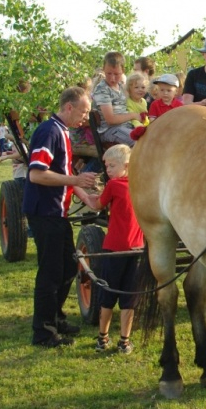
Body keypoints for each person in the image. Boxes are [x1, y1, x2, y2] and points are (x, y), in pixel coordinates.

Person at [23, 86, 100, 347]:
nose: (85, 118)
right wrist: (77, 179)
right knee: (51, 273)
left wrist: (85, 195)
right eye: (83, 111)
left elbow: (62, 173)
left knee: (68, 267)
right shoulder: (49, 131)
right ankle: (43, 332)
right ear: (69, 107)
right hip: (45, 212)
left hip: (57, 212)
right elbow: (36, 174)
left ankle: (55, 318)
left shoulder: (62, 131)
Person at [82, 144, 144, 354]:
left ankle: (103, 337)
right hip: (136, 249)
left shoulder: (114, 185)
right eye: (106, 166)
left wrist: (85, 195)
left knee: (109, 293)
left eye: (112, 166)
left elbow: (98, 205)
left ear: (126, 165)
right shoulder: (141, 185)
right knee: (129, 296)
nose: (108, 170)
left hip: (114, 249)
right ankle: (124, 340)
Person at [91, 52, 140, 146]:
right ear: (103, 68)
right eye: (108, 73)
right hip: (110, 130)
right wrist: (133, 115)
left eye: (116, 74)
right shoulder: (102, 89)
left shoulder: (122, 87)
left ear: (123, 71)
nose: (112, 78)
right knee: (138, 141)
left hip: (126, 126)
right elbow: (111, 120)